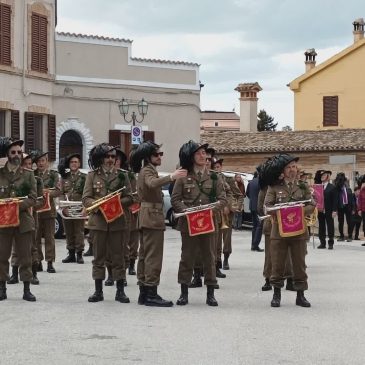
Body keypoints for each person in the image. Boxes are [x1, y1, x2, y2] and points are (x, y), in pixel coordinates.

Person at [130, 141, 187, 307]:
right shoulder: (148, 170)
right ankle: (151, 293)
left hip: (147, 216)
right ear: (148, 157)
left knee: (145, 255)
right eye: (157, 154)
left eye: (161, 154)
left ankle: (144, 293)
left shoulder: (147, 170)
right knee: (153, 257)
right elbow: (152, 183)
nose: (160, 157)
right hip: (151, 217)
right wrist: (172, 177)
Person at [171, 140, 227, 306]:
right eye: (199, 153)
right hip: (189, 223)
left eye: (204, 153)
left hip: (208, 222)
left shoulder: (215, 177)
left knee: (209, 257)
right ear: (191, 157)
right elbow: (175, 199)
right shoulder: (183, 177)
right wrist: (188, 211)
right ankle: (184, 292)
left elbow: (223, 200)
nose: (203, 156)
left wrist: (210, 210)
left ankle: (210, 293)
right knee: (187, 257)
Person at [82, 143, 133, 303]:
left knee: (118, 256)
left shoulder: (122, 175)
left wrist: (115, 203)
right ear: (101, 158)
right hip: (99, 223)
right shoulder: (92, 175)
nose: (111, 159)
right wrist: (100, 206)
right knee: (98, 257)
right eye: (107, 156)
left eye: (113, 157)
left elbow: (130, 197)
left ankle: (120, 291)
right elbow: (86, 199)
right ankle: (98, 291)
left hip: (117, 221)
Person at [264, 154, 315, 308]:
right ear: (283, 170)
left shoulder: (303, 186)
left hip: (299, 232)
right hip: (279, 232)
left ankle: (301, 295)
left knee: (299, 264)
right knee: (278, 264)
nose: (292, 170)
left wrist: (299, 211)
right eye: (288, 167)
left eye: (294, 167)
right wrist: (282, 212)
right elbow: (266, 206)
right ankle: (276, 294)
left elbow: (312, 205)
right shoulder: (274, 187)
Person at [0, 137, 37, 301]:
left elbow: (33, 198)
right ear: (7, 154)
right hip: (4, 222)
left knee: (25, 256)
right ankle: (2, 288)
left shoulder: (28, 175)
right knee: (1, 256)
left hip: (23, 221)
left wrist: (16, 205)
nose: (17, 155)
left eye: (19, 152)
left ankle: (27, 289)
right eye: (13, 152)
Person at [257, 157, 294, 292]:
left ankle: (290, 279)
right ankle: (268, 279)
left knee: (288, 254)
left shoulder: (290, 186)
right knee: (270, 255)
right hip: (271, 225)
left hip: (288, 224)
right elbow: (261, 208)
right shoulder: (266, 188)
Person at [7, 153, 44, 286]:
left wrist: (31, 205)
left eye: (30, 164)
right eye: (26, 164)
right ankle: (14, 274)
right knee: (15, 248)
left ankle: (33, 274)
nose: (29, 166)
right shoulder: (14, 179)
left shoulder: (36, 179)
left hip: (30, 216)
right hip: (13, 216)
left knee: (32, 246)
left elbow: (41, 200)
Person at [212, 157, 244, 270]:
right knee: (215, 239)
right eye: (214, 167)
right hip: (216, 212)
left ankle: (226, 259)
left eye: (218, 167)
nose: (217, 169)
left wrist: (233, 207)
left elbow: (239, 195)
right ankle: (217, 260)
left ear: (221, 167)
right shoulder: (211, 179)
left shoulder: (229, 180)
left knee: (227, 239)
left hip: (227, 214)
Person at [33, 150, 61, 273]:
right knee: (36, 237)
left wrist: (47, 193)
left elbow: (58, 191)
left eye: (43, 161)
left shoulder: (53, 175)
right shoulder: (32, 174)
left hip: (49, 211)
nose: (40, 163)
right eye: (38, 161)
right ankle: (38, 261)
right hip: (37, 210)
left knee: (50, 238)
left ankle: (50, 262)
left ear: (47, 162)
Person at [58, 153, 86, 264]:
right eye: (71, 162)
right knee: (68, 231)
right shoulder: (64, 177)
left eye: (76, 162)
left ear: (79, 164)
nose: (74, 164)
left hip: (79, 208)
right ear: (69, 164)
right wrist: (63, 206)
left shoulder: (84, 177)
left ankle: (79, 254)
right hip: (67, 208)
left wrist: (85, 208)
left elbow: (87, 194)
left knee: (79, 231)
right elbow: (61, 193)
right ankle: (71, 254)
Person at [316, 170, 338, 249]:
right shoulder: (318, 187)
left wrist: (334, 210)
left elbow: (335, 200)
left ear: (328, 177)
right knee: (321, 227)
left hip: (329, 210)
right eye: (321, 176)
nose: (322, 177)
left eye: (324, 176)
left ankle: (330, 243)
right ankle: (322, 243)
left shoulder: (332, 187)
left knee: (330, 226)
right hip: (320, 210)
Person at [246, 172, 264, 252]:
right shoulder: (261, 182)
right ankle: (255, 245)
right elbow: (263, 194)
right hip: (259, 206)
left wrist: (252, 200)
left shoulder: (251, 182)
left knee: (254, 226)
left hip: (252, 205)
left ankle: (253, 244)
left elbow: (247, 193)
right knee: (259, 226)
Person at [334, 173, 353, 242]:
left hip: (348, 207)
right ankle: (341, 236)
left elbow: (351, 198)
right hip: (340, 207)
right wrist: (335, 209)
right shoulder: (337, 188)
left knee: (349, 222)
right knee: (341, 222)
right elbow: (335, 199)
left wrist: (353, 208)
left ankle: (350, 236)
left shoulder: (348, 188)